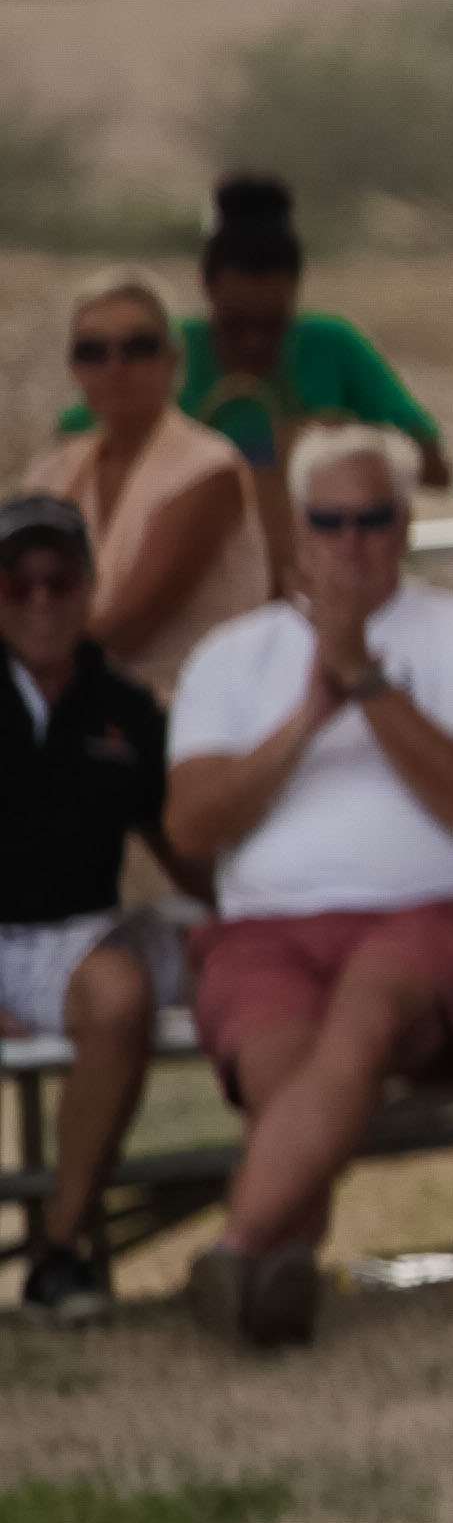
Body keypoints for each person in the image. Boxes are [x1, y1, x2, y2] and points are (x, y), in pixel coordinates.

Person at [159, 427, 453, 1350]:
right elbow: (193, 827)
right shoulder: (231, 655)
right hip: (266, 930)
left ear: (405, 526)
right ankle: (275, 1280)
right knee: (286, 1064)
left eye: (372, 519)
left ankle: (238, 1246)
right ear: (297, 529)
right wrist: (305, 720)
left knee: (365, 1014)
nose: (351, 541)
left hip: (432, 914)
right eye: (329, 520)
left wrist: (366, 678)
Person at [43, 175, 449, 554]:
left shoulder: (331, 345)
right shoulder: (161, 350)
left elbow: (436, 469)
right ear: (207, 288)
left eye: (271, 327)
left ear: (295, 290)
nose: (254, 341)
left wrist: (346, 445)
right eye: (237, 326)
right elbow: (77, 437)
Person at [1, 491, 181, 1323]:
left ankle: (61, 1254)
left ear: (87, 587)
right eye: (17, 583)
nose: (40, 601)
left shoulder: (127, 710)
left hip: (75, 936)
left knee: (121, 995)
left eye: (58, 580)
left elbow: (182, 845)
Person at [32, 266, 268, 690]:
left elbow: (128, 628)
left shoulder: (208, 469)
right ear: (74, 368)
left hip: (187, 714)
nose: (115, 366)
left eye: (138, 348)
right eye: (93, 351)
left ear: (173, 360)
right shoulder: (55, 471)